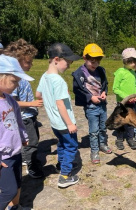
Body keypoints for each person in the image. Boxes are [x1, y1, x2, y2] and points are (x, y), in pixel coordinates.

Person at [36, 43, 80, 188]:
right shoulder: (58, 80)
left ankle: (61, 165)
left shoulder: (45, 76)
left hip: (54, 123)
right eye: (67, 63)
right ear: (56, 59)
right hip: (64, 123)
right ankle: (65, 176)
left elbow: (38, 94)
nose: (68, 66)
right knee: (71, 146)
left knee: (62, 144)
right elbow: (61, 104)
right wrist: (70, 123)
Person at [2, 39, 44, 179]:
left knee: (34, 140)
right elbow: (13, 103)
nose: (31, 64)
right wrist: (32, 103)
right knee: (31, 144)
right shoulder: (11, 81)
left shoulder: (21, 79)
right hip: (23, 117)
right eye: (28, 62)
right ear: (17, 62)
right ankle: (31, 166)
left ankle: (29, 160)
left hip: (30, 115)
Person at [0, 54, 33, 210]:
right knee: (8, 190)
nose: (17, 86)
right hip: (3, 156)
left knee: (18, 183)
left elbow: (18, 121)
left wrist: (23, 136)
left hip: (15, 151)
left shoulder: (10, 100)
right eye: (14, 81)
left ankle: (15, 207)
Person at [72, 43, 111, 165]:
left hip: (102, 104)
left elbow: (105, 84)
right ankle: (94, 151)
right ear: (85, 58)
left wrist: (104, 92)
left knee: (103, 127)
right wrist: (90, 97)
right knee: (94, 130)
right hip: (91, 106)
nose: (95, 64)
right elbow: (77, 90)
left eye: (97, 62)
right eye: (92, 61)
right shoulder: (79, 74)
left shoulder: (100, 71)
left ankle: (102, 144)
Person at [113, 48, 136, 150]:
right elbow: (115, 88)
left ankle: (130, 138)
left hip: (132, 103)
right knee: (120, 121)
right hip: (122, 103)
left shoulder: (133, 73)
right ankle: (119, 139)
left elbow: (134, 86)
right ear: (127, 61)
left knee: (130, 121)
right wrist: (126, 97)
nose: (135, 64)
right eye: (133, 61)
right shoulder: (120, 73)